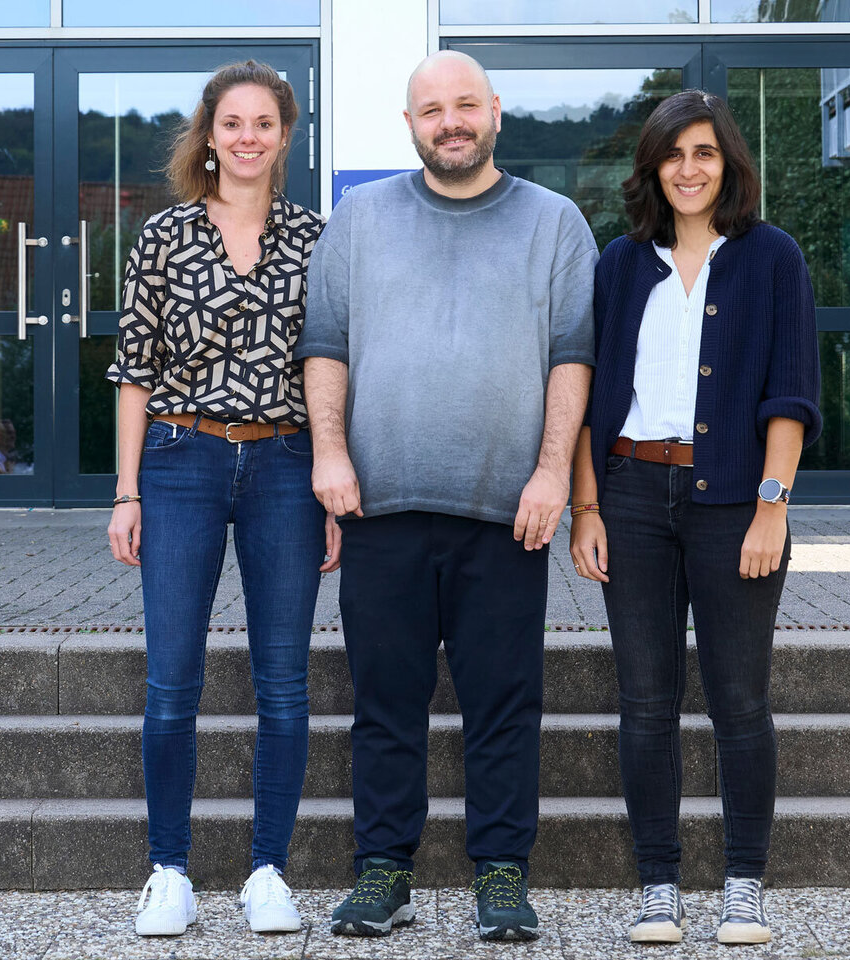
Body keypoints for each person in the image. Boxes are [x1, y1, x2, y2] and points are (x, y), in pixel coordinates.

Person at [296, 50, 597, 942]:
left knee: (504, 702)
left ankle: (501, 872)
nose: (451, 121)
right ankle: (383, 871)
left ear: (496, 111)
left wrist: (551, 475)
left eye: (466, 105)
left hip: (507, 513)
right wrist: (329, 457)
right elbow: (326, 347)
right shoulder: (360, 219)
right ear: (410, 124)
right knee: (384, 703)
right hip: (379, 506)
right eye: (433, 110)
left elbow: (571, 359)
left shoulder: (555, 222)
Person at [570, 89, 821, 947]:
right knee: (645, 700)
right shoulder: (620, 264)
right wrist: (586, 506)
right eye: (674, 154)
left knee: (739, 700)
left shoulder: (772, 259)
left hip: (734, 507)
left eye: (706, 152)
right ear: (654, 166)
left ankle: (744, 881)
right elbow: (593, 396)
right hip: (633, 495)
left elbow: (789, 394)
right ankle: (659, 883)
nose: (690, 168)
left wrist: (770, 511)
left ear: (729, 164)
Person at [105, 59, 338, 937]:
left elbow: (330, 371)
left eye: (264, 124)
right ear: (208, 136)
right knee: (173, 682)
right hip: (178, 461)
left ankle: (267, 871)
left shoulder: (316, 237)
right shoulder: (163, 235)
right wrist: (126, 493)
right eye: (231, 124)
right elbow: (132, 371)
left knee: (284, 683)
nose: (247, 138)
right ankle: (168, 870)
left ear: (285, 135)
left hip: (284, 465)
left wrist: (329, 473)